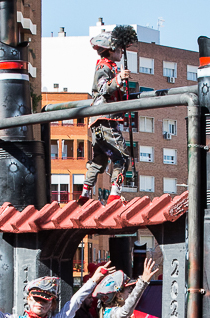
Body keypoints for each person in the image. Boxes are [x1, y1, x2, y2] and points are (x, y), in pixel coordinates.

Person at [77, 30, 132, 205]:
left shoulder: (107, 66)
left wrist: (121, 84)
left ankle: (85, 194)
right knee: (122, 158)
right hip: (107, 119)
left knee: (99, 161)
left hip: (97, 121)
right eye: (119, 50)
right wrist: (118, 80)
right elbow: (102, 88)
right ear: (111, 49)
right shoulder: (104, 66)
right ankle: (115, 194)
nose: (121, 53)